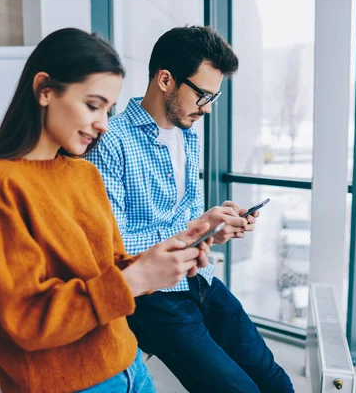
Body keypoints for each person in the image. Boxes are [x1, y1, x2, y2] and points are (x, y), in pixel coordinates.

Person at [0, 28, 214, 393]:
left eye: (108, 109)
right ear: (45, 90)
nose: (104, 124)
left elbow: (108, 270)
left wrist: (159, 260)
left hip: (130, 365)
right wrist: (135, 279)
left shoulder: (84, 173)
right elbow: (28, 321)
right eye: (93, 105)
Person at [86, 26, 294, 392]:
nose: (208, 108)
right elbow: (111, 247)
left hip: (201, 281)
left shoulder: (187, 135)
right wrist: (197, 228)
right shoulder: (110, 142)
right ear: (166, 79)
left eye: (213, 96)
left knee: (274, 380)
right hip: (153, 300)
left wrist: (217, 228)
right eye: (202, 95)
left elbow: (184, 221)